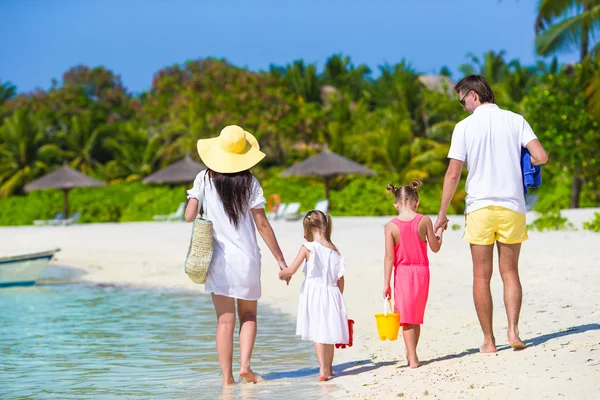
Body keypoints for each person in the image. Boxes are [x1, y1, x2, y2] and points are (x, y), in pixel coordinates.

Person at [434, 75, 548, 353]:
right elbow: (541, 156)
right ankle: (513, 332)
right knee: (510, 273)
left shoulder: (464, 127)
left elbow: (453, 174)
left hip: (480, 209)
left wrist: (442, 214)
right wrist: (523, 162)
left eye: (462, 100)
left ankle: (488, 341)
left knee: (480, 277)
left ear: (474, 95)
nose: (462, 107)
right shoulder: (515, 120)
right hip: (512, 206)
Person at [185, 125, 289, 385]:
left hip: (217, 260)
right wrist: (280, 259)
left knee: (224, 321)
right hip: (247, 260)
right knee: (249, 316)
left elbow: (189, 216)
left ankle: (227, 380)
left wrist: (195, 200)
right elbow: (262, 225)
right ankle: (245, 366)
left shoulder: (204, 178)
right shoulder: (250, 182)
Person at [278, 210, 348, 382]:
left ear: (307, 228)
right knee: (330, 333)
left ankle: (322, 369)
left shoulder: (307, 247)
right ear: (326, 225)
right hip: (332, 293)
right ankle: (329, 369)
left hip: (314, 293)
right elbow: (341, 279)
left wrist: (282, 274)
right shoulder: (335, 251)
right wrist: (337, 296)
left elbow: (292, 269)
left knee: (318, 332)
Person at [383, 180, 443, 368]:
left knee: (406, 319)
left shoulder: (391, 226)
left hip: (403, 273)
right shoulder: (424, 220)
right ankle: (411, 355)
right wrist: (440, 229)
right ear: (416, 202)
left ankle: (413, 358)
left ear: (395, 205)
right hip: (422, 272)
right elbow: (436, 247)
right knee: (415, 317)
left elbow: (389, 258)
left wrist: (387, 283)